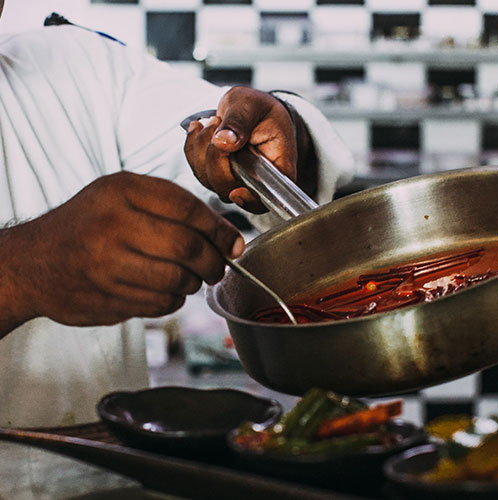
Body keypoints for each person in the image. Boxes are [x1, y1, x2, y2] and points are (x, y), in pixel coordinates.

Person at [0, 7, 354, 428]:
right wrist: (18, 274)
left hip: (111, 479)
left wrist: (277, 139)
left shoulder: (72, 62)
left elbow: (224, 125)